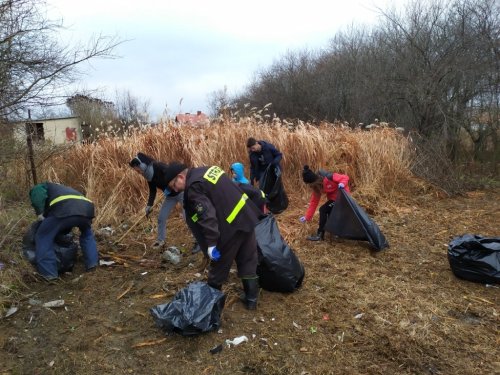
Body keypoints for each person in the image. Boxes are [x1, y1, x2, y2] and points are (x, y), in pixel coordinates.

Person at [164, 162, 261, 310]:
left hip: (230, 228)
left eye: (173, 185)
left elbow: (206, 215)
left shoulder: (194, 187)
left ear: (180, 177)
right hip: (245, 216)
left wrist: (211, 244)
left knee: (218, 270)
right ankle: (252, 300)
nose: (174, 189)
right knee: (247, 258)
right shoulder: (207, 170)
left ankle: (211, 310)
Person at [129, 153, 199, 253]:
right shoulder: (148, 175)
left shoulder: (158, 166)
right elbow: (152, 190)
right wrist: (149, 204)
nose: (137, 172)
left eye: (137, 169)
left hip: (181, 193)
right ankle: (160, 241)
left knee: (187, 217)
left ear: (142, 165)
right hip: (170, 197)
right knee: (161, 218)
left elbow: (173, 176)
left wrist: (169, 187)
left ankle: (198, 241)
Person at [28, 182, 99, 281]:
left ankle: (49, 274)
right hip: (87, 209)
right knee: (87, 234)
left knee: (43, 236)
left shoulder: (42, 186)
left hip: (64, 208)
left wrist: (39, 213)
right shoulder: (64, 188)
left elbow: (37, 196)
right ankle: (92, 264)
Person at [299, 165, 351, 241]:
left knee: (323, 209)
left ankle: (320, 235)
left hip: (343, 197)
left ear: (316, 181)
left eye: (312, 185)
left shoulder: (329, 177)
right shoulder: (317, 188)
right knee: (329, 212)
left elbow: (345, 177)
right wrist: (307, 217)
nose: (312, 187)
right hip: (334, 199)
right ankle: (336, 233)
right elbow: (313, 203)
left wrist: (342, 183)